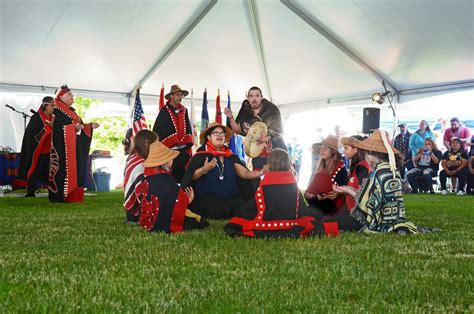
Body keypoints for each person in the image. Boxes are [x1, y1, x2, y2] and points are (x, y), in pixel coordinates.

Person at [224, 149, 328, 238]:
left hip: (265, 225)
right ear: (288, 163)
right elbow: (299, 207)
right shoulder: (292, 182)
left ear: (269, 163)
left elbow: (257, 205)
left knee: (240, 217)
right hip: (290, 224)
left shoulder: (265, 182)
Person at [339, 129, 421, 234]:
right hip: (391, 218)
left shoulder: (379, 172)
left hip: (378, 221)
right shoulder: (389, 168)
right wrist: (349, 189)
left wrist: (348, 190)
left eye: (365, 154)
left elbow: (367, 203)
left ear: (370, 154)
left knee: (332, 221)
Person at [181, 122, 261, 219]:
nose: (219, 135)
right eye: (215, 133)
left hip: (230, 195)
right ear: (209, 137)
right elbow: (191, 177)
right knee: (220, 212)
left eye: (222, 133)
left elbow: (244, 173)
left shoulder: (231, 156)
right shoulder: (200, 155)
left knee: (242, 210)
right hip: (209, 196)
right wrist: (204, 169)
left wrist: (261, 173)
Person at [136, 140, 209, 233]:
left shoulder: (145, 178)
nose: (173, 161)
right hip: (165, 220)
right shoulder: (167, 179)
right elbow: (177, 201)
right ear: (165, 162)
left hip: (148, 221)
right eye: (171, 159)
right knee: (199, 222)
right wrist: (188, 200)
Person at [48, 85, 99, 202]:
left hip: (73, 146)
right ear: (61, 96)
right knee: (62, 171)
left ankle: (73, 195)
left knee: (77, 169)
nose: (72, 96)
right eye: (69, 94)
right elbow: (57, 129)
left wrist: (89, 126)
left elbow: (81, 125)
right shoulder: (56, 111)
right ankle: (60, 196)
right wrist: (73, 128)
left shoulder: (72, 113)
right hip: (61, 148)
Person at [224, 86, 285, 171]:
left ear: (261, 97)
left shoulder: (272, 110)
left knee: (278, 177)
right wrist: (230, 117)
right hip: (258, 151)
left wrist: (267, 138)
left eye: (257, 96)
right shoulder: (245, 110)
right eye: (251, 96)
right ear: (248, 98)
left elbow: (278, 131)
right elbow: (238, 130)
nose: (254, 99)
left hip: (276, 150)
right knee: (259, 177)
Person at [321, 135, 370, 231]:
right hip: (350, 210)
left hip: (358, 216)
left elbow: (363, 195)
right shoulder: (358, 166)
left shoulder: (362, 168)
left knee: (324, 224)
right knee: (324, 219)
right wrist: (341, 192)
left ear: (355, 149)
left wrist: (343, 191)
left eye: (346, 148)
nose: (343, 151)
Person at [152, 85, 193, 182]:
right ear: (171, 96)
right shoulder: (164, 111)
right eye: (178, 95)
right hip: (169, 150)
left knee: (182, 173)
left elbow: (187, 127)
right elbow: (159, 129)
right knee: (169, 174)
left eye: (181, 95)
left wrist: (186, 141)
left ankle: (182, 193)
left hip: (182, 150)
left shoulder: (184, 110)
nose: (180, 97)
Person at [16, 97, 55, 197]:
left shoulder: (53, 118)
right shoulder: (36, 118)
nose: (53, 108)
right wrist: (48, 127)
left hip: (49, 151)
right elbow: (33, 136)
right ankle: (30, 192)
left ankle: (52, 191)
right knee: (34, 172)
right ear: (45, 105)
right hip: (37, 151)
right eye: (52, 105)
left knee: (50, 173)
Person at [304, 135, 348, 219]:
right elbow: (311, 190)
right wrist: (314, 196)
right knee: (303, 215)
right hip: (316, 203)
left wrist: (337, 193)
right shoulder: (320, 168)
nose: (322, 150)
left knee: (307, 216)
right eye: (321, 148)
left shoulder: (339, 167)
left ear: (333, 151)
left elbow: (342, 189)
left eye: (326, 148)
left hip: (331, 206)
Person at [123, 130, 158, 223]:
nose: (157, 147)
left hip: (130, 211)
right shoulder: (141, 164)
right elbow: (141, 192)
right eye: (155, 144)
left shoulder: (134, 158)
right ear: (147, 143)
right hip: (136, 212)